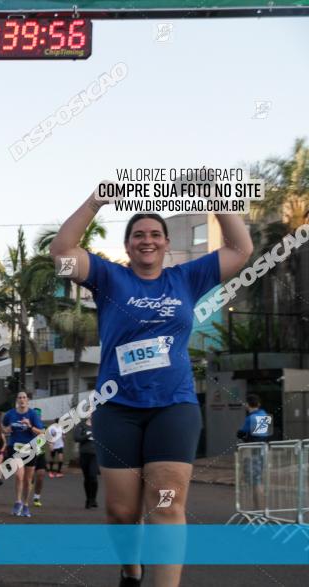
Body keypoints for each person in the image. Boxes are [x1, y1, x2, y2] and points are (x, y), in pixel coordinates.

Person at [49, 184, 252, 587]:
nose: (147, 240)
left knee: (167, 502)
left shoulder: (187, 278)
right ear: (127, 245)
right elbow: (61, 254)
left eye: (155, 234)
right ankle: (130, 569)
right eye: (139, 234)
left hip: (173, 406)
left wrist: (216, 198)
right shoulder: (110, 278)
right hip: (118, 407)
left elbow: (241, 249)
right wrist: (95, 201)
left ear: (166, 243)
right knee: (122, 513)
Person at [2, 391, 44, 517]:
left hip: (30, 448)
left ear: (27, 400)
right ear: (17, 400)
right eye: (20, 397)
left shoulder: (32, 414)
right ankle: (18, 502)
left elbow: (41, 432)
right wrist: (7, 430)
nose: (22, 400)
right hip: (15, 447)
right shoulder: (10, 414)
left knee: (28, 479)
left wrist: (30, 426)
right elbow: (4, 427)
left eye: (24, 397)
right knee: (19, 476)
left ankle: (26, 505)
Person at [236, 394, 272, 508]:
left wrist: (243, 436)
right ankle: (261, 509)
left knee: (255, 481)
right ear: (259, 404)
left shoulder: (251, 418)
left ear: (247, 405)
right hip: (263, 450)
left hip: (253, 452)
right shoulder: (264, 415)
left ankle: (258, 509)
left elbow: (241, 433)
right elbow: (262, 435)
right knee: (259, 479)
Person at [74, 414, 99, 508]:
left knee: (93, 476)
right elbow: (76, 438)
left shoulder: (99, 425)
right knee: (87, 478)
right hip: (84, 455)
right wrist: (87, 436)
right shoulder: (81, 425)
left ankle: (93, 499)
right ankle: (88, 499)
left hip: (95, 455)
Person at [31, 405, 48, 507]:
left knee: (41, 476)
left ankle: (36, 497)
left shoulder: (43, 427)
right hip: (29, 455)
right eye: (35, 416)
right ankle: (25, 496)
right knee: (29, 478)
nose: (37, 417)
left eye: (38, 416)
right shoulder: (28, 427)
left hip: (40, 454)